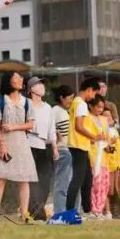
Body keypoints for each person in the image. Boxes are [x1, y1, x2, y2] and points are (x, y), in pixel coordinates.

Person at [0, 71, 37, 221]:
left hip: (22, 143)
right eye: (17, 78)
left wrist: (14, 127)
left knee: (24, 180)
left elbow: (31, 124)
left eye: (20, 78)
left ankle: (24, 214)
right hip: (5, 142)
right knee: (0, 178)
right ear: (9, 81)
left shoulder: (27, 102)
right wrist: (1, 143)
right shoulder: (0, 101)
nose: (20, 80)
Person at [66, 78, 102, 214]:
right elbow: (79, 126)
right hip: (78, 145)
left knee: (87, 179)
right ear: (89, 90)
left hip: (80, 145)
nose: (93, 97)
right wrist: (93, 137)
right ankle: (69, 212)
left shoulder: (75, 102)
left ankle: (87, 211)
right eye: (94, 94)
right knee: (78, 179)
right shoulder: (81, 104)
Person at [25, 76, 57, 221]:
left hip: (43, 145)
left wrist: (55, 147)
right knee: (31, 180)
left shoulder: (48, 107)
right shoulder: (25, 104)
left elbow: (51, 130)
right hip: (27, 144)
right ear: (31, 89)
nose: (43, 87)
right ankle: (34, 212)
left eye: (43, 84)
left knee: (45, 179)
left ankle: (38, 209)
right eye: (39, 85)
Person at [51, 85, 74, 218]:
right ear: (61, 97)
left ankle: (70, 212)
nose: (71, 100)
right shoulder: (56, 110)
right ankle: (59, 213)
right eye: (69, 98)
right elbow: (49, 128)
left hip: (70, 151)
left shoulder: (67, 112)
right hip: (62, 151)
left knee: (70, 184)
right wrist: (56, 136)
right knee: (62, 184)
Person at [88, 97, 111, 219]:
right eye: (98, 107)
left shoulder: (104, 119)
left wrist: (109, 145)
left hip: (104, 156)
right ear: (91, 106)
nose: (100, 109)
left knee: (104, 184)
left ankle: (99, 209)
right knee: (94, 183)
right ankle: (93, 209)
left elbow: (107, 137)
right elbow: (87, 136)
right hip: (93, 155)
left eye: (102, 107)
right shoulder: (87, 118)